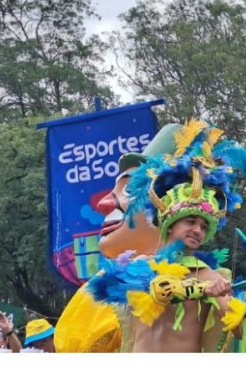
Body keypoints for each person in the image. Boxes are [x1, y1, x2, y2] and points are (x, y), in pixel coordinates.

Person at [87, 118, 246, 352]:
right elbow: (154, 290)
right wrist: (200, 291)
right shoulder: (141, 266)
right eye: (191, 222)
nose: (197, 230)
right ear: (169, 224)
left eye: (204, 227)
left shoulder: (210, 276)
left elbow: (237, 330)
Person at [55, 123, 182, 352]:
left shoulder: (109, 286)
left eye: (128, 189)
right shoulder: (214, 280)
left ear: (167, 204)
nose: (104, 204)